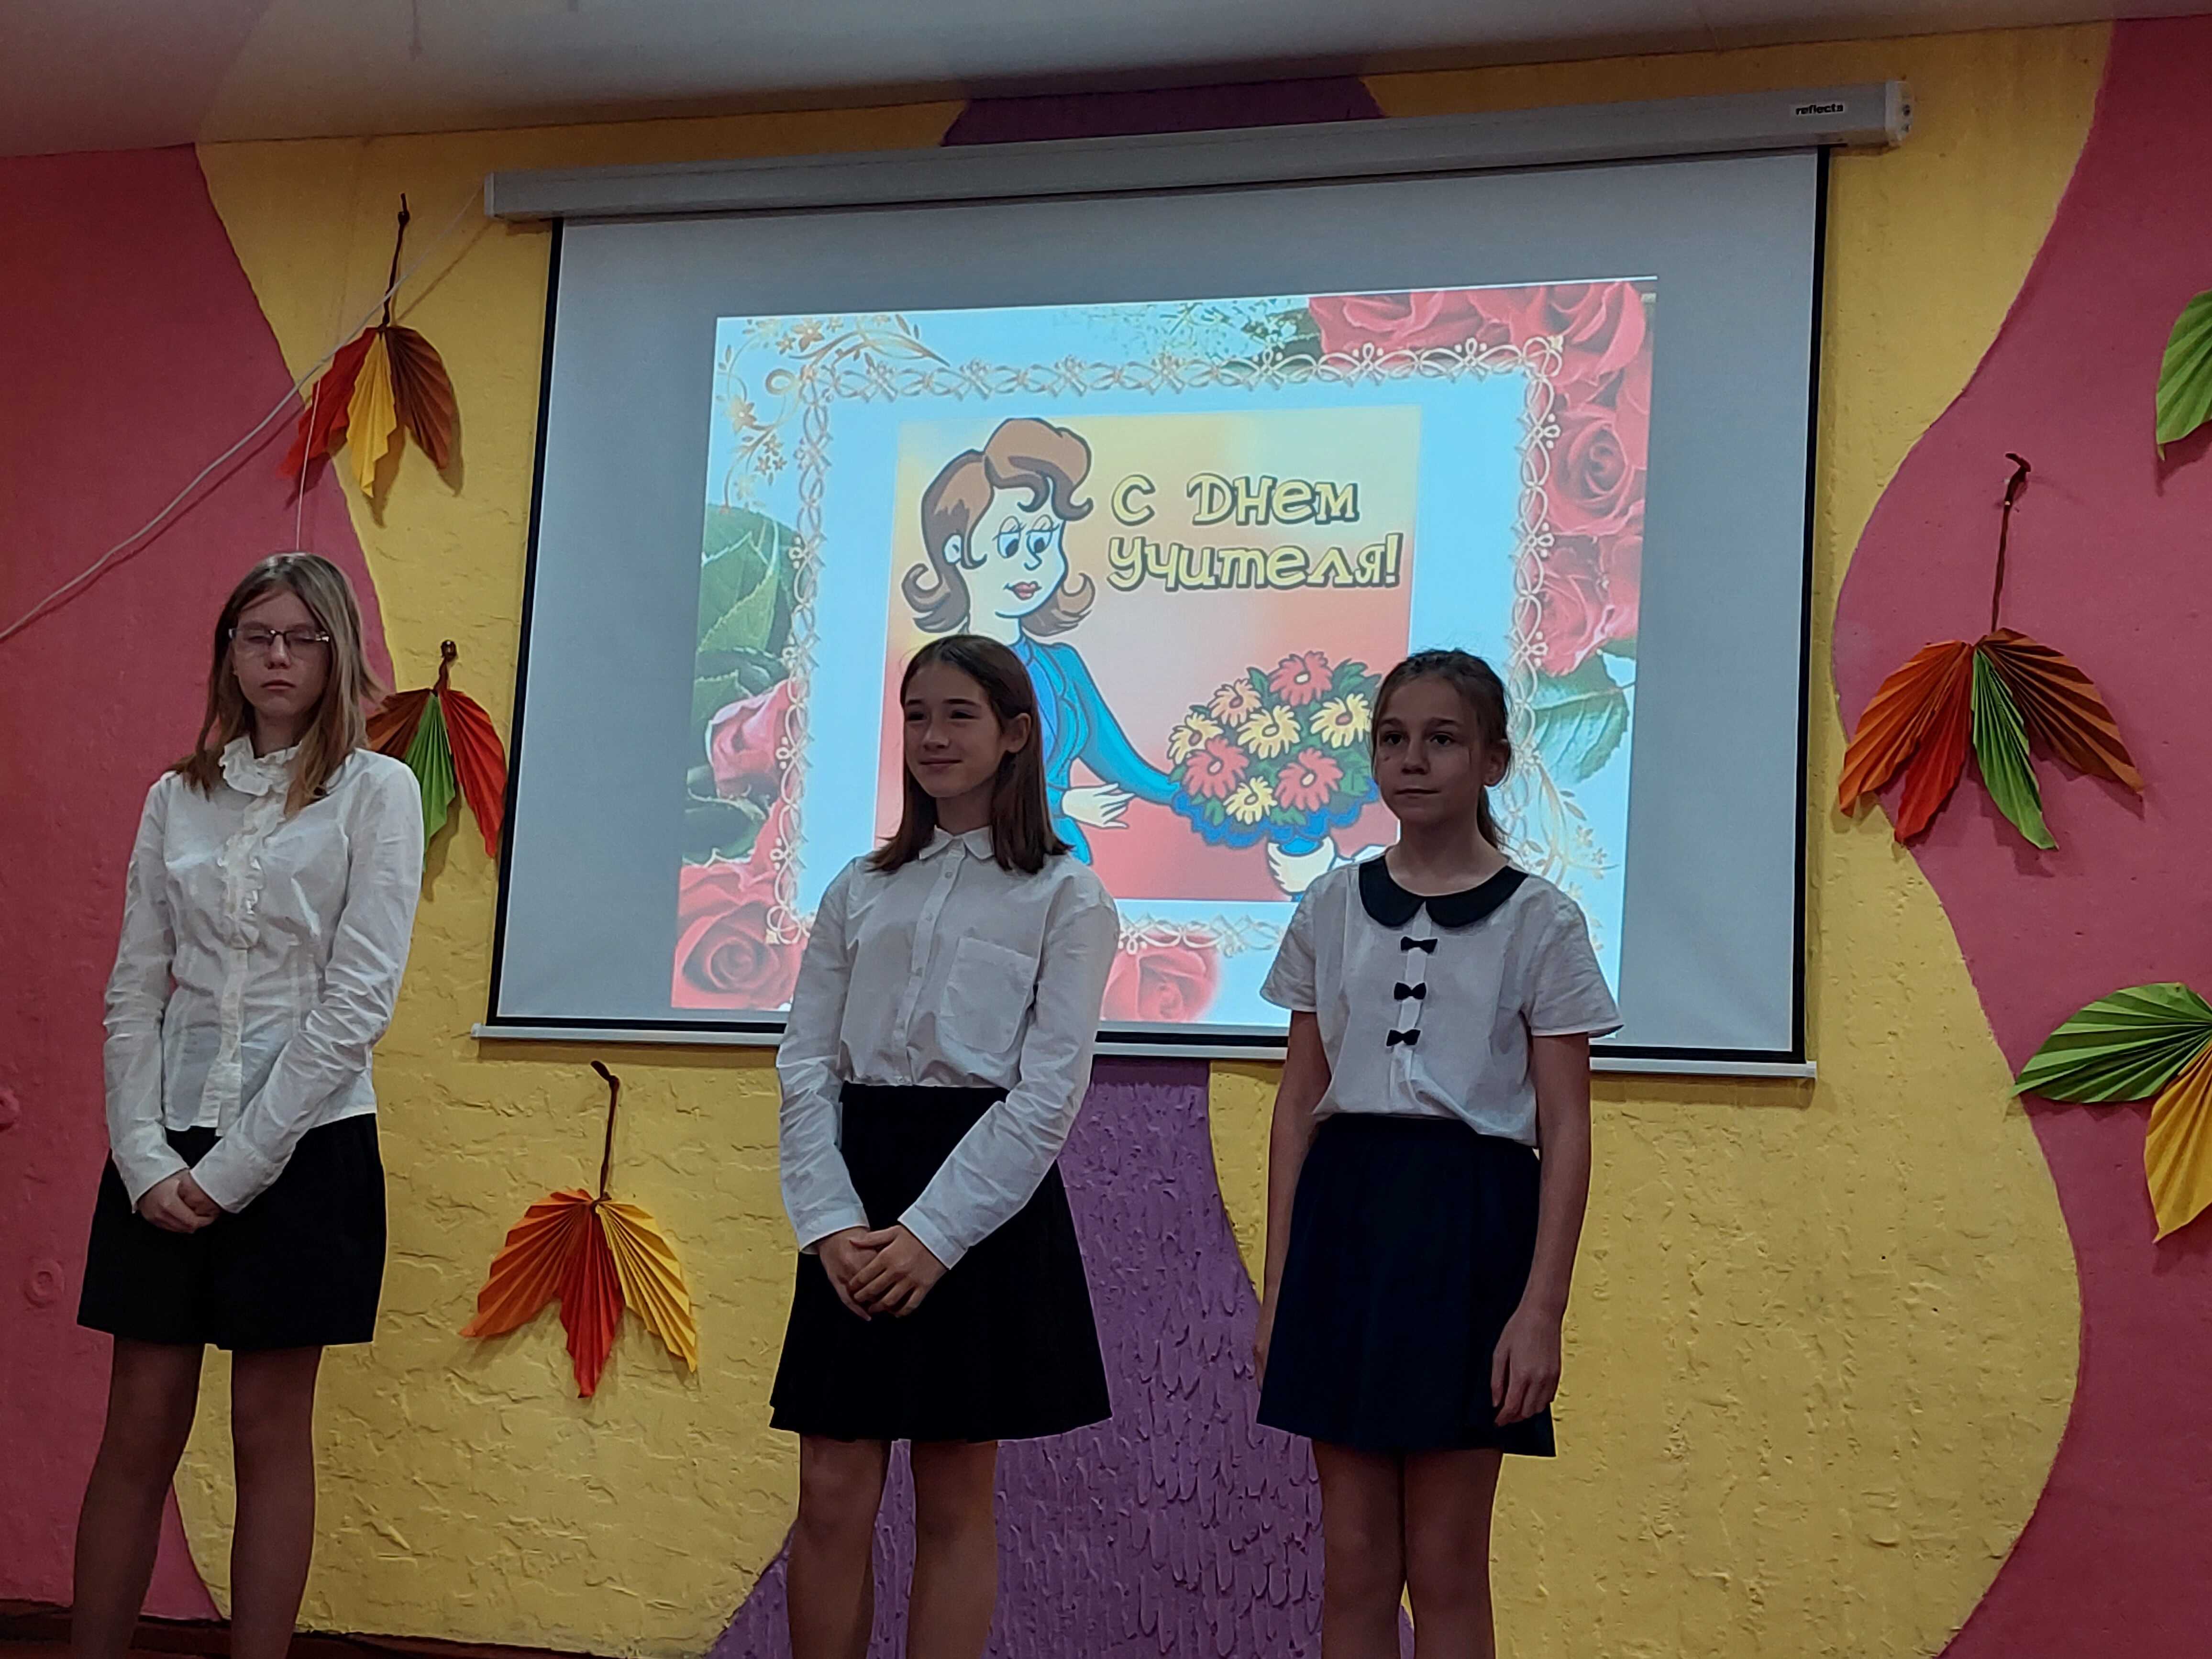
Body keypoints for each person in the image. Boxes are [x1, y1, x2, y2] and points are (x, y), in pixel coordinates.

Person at [72, 553, 423, 1659]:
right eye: (256, 634)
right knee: (136, 1431)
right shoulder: (175, 798)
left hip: (306, 1148)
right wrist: (142, 1154)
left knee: (270, 1434)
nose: (278, 656)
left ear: (337, 653)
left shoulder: (378, 793)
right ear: (228, 651)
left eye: (301, 637)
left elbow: (356, 1004)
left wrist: (232, 1172)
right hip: (163, 1147)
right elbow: (135, 992)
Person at [1252, 648, 1620, 1659]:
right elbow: (1295, 1107)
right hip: (1344, 1225)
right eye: (1392, 738)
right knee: (1353, 1559)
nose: (1411, 760)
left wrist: (1539, 1309)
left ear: (1492, 761)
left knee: (1448, 1561)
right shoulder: (1328, 905)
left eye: (1441, 739)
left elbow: (1566, 1128)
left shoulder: (1540, 920)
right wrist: (1280, 1291)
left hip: (1469, 1229)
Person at [771, 633, 1120, 1659]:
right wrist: (829, 1221)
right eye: (916, 714)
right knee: (830, 1487)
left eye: (958, 714)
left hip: (979, 1205)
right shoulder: (858, 887)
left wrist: (933, 1235)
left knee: (954, 1491)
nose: (931, 735)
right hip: (857, 1188)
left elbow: (1046, 1094)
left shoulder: (1066, 894)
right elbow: (805, 1063)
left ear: (1015, 734)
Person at [904, 417, 1179, 860]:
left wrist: (1212, 790)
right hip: (969, 872)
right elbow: (955, 782)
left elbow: (1125, 766)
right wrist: (1064, 802)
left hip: (1064, 865)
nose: (1032, 563)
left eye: (1044, 542)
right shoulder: (935, 677)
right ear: (956, 549)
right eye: (1011, 543)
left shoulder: (1061, 666)